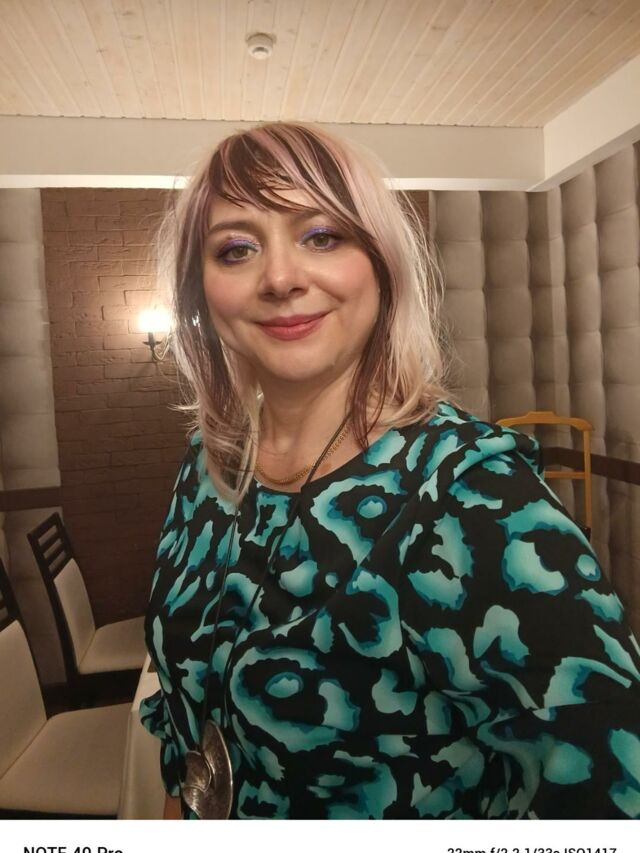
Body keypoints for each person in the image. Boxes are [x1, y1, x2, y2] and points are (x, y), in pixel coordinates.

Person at [140, 122, 640, 820]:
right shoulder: (208, 466)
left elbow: (610, 781)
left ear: (381, 264)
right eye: (236, 249)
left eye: (321, 236)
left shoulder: (468, 491)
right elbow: (189, 713)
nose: (280, 278)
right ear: (200, 291)